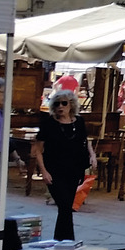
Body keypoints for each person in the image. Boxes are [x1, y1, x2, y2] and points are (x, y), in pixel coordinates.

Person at [33, 89, 96, 241]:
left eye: (64, 103)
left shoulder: (79, 122)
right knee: (65, 205)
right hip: (54, 170)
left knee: (66, 207)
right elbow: (38, 149)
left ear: (71, 105)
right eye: (57, 104)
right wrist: (43, 171)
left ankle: (61, 241)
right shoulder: (49, 123)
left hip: (74, 169)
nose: (60, 107)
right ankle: (67, 241)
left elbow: (85, 140)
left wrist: (92, 155)